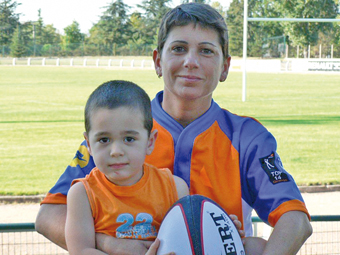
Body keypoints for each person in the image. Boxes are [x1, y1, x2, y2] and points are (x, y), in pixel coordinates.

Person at [36, 2, 312, 255]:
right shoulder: (120, 130)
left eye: (206, 51)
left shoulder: (247, 137)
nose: (191, 61)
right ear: (158, 61)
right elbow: (49, 216)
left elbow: (295, 219)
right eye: (179, 48)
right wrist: (110, 244)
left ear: (225, 67)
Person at [65, 80, 189, 254]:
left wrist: (223, 228)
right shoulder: (82, 195)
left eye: (129, 139)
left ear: (150, 142)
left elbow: (189, 243)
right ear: (89, 145)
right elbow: (81, 250)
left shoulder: (175, 188)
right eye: (104, 140)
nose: (116, 151)